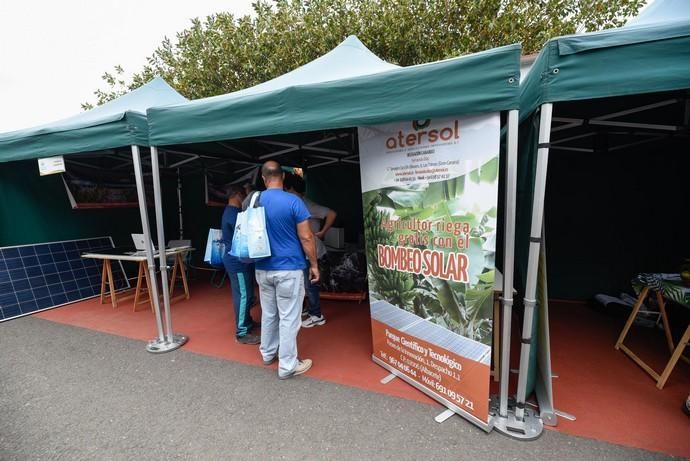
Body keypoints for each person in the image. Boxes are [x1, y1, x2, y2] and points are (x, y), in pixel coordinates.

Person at [255, 161, 319, 379]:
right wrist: (314, 265)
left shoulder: (253, 200)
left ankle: (267, 353)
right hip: (290, 268)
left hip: (262, 267)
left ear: (264, 178)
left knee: (269, 313)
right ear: (282, 176)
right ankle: (287, 365)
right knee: (289, 317)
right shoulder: (294, 201)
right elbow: (306, 237)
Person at [285, 174, 337, 328]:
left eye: (286, 188)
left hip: (312, 250)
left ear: (291, 189)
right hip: (304, 250)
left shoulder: (305, 203)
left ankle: (317, 315)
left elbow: (331, 213)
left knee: (310, 284)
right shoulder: (296, 202)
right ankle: (310, 309)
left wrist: (322, 232)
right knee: (305, 283)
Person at [221, 184, 259, 345]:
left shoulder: (232, 212)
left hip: (239, 260)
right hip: (237, 261)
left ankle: (247, 322)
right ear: (237, 194)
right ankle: (241, 332)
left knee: (247, 293)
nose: (245, 198)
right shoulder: (234, 214)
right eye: (244, 194)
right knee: (243, 294)